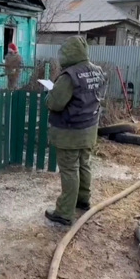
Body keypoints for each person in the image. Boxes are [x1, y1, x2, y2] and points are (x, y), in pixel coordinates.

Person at [44, 36, 105, 226]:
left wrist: (49, 94)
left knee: (69, 170)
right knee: (84, 164)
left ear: (69, 53)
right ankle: (82, 200)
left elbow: (55, 103)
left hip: (70, 132)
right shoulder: (98, 71)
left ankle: (64, 212)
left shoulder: (69, 76)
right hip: (89, 128)